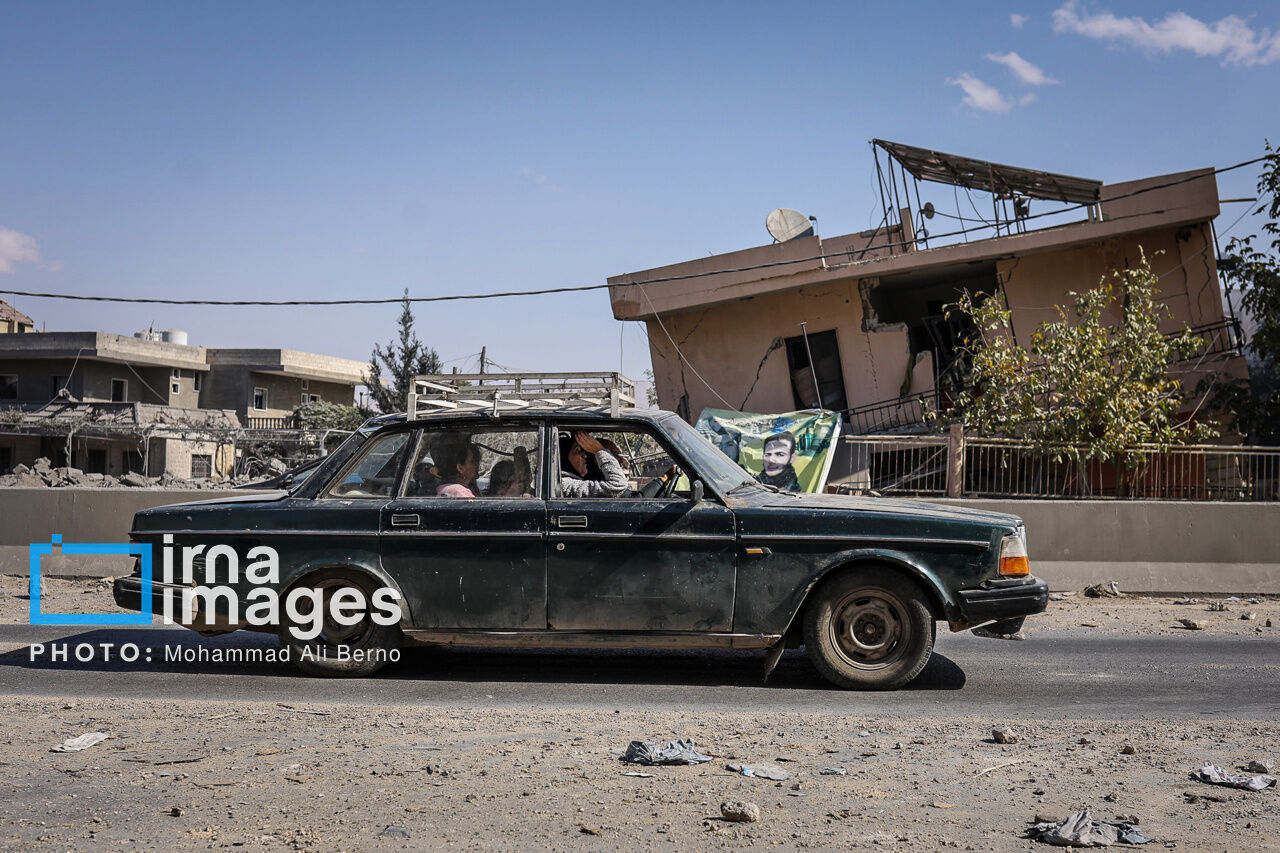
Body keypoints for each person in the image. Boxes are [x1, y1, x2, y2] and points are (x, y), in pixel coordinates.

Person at [559, 430, 628, 498]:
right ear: (562, 455)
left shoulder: (584, 482)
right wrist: (600, 451)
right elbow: (618, 488)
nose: (585, 456)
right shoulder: (564, 484)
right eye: (577, 450)